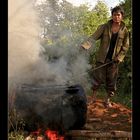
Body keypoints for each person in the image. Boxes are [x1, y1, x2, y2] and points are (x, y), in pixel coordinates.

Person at [81, 6, 130, 107]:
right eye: (114, 15)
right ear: (112, 16)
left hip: (114, 60)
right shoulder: (104, 27)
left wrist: (119, 57)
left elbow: (125, 46)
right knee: (97, 79)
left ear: (122, 16)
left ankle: (107, 100)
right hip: (102, 58)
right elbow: (94, 37)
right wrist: (85, 45)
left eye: (118, 15)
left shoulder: (125, 30)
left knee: (111, 80)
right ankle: (93, 98)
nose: (116, 17)